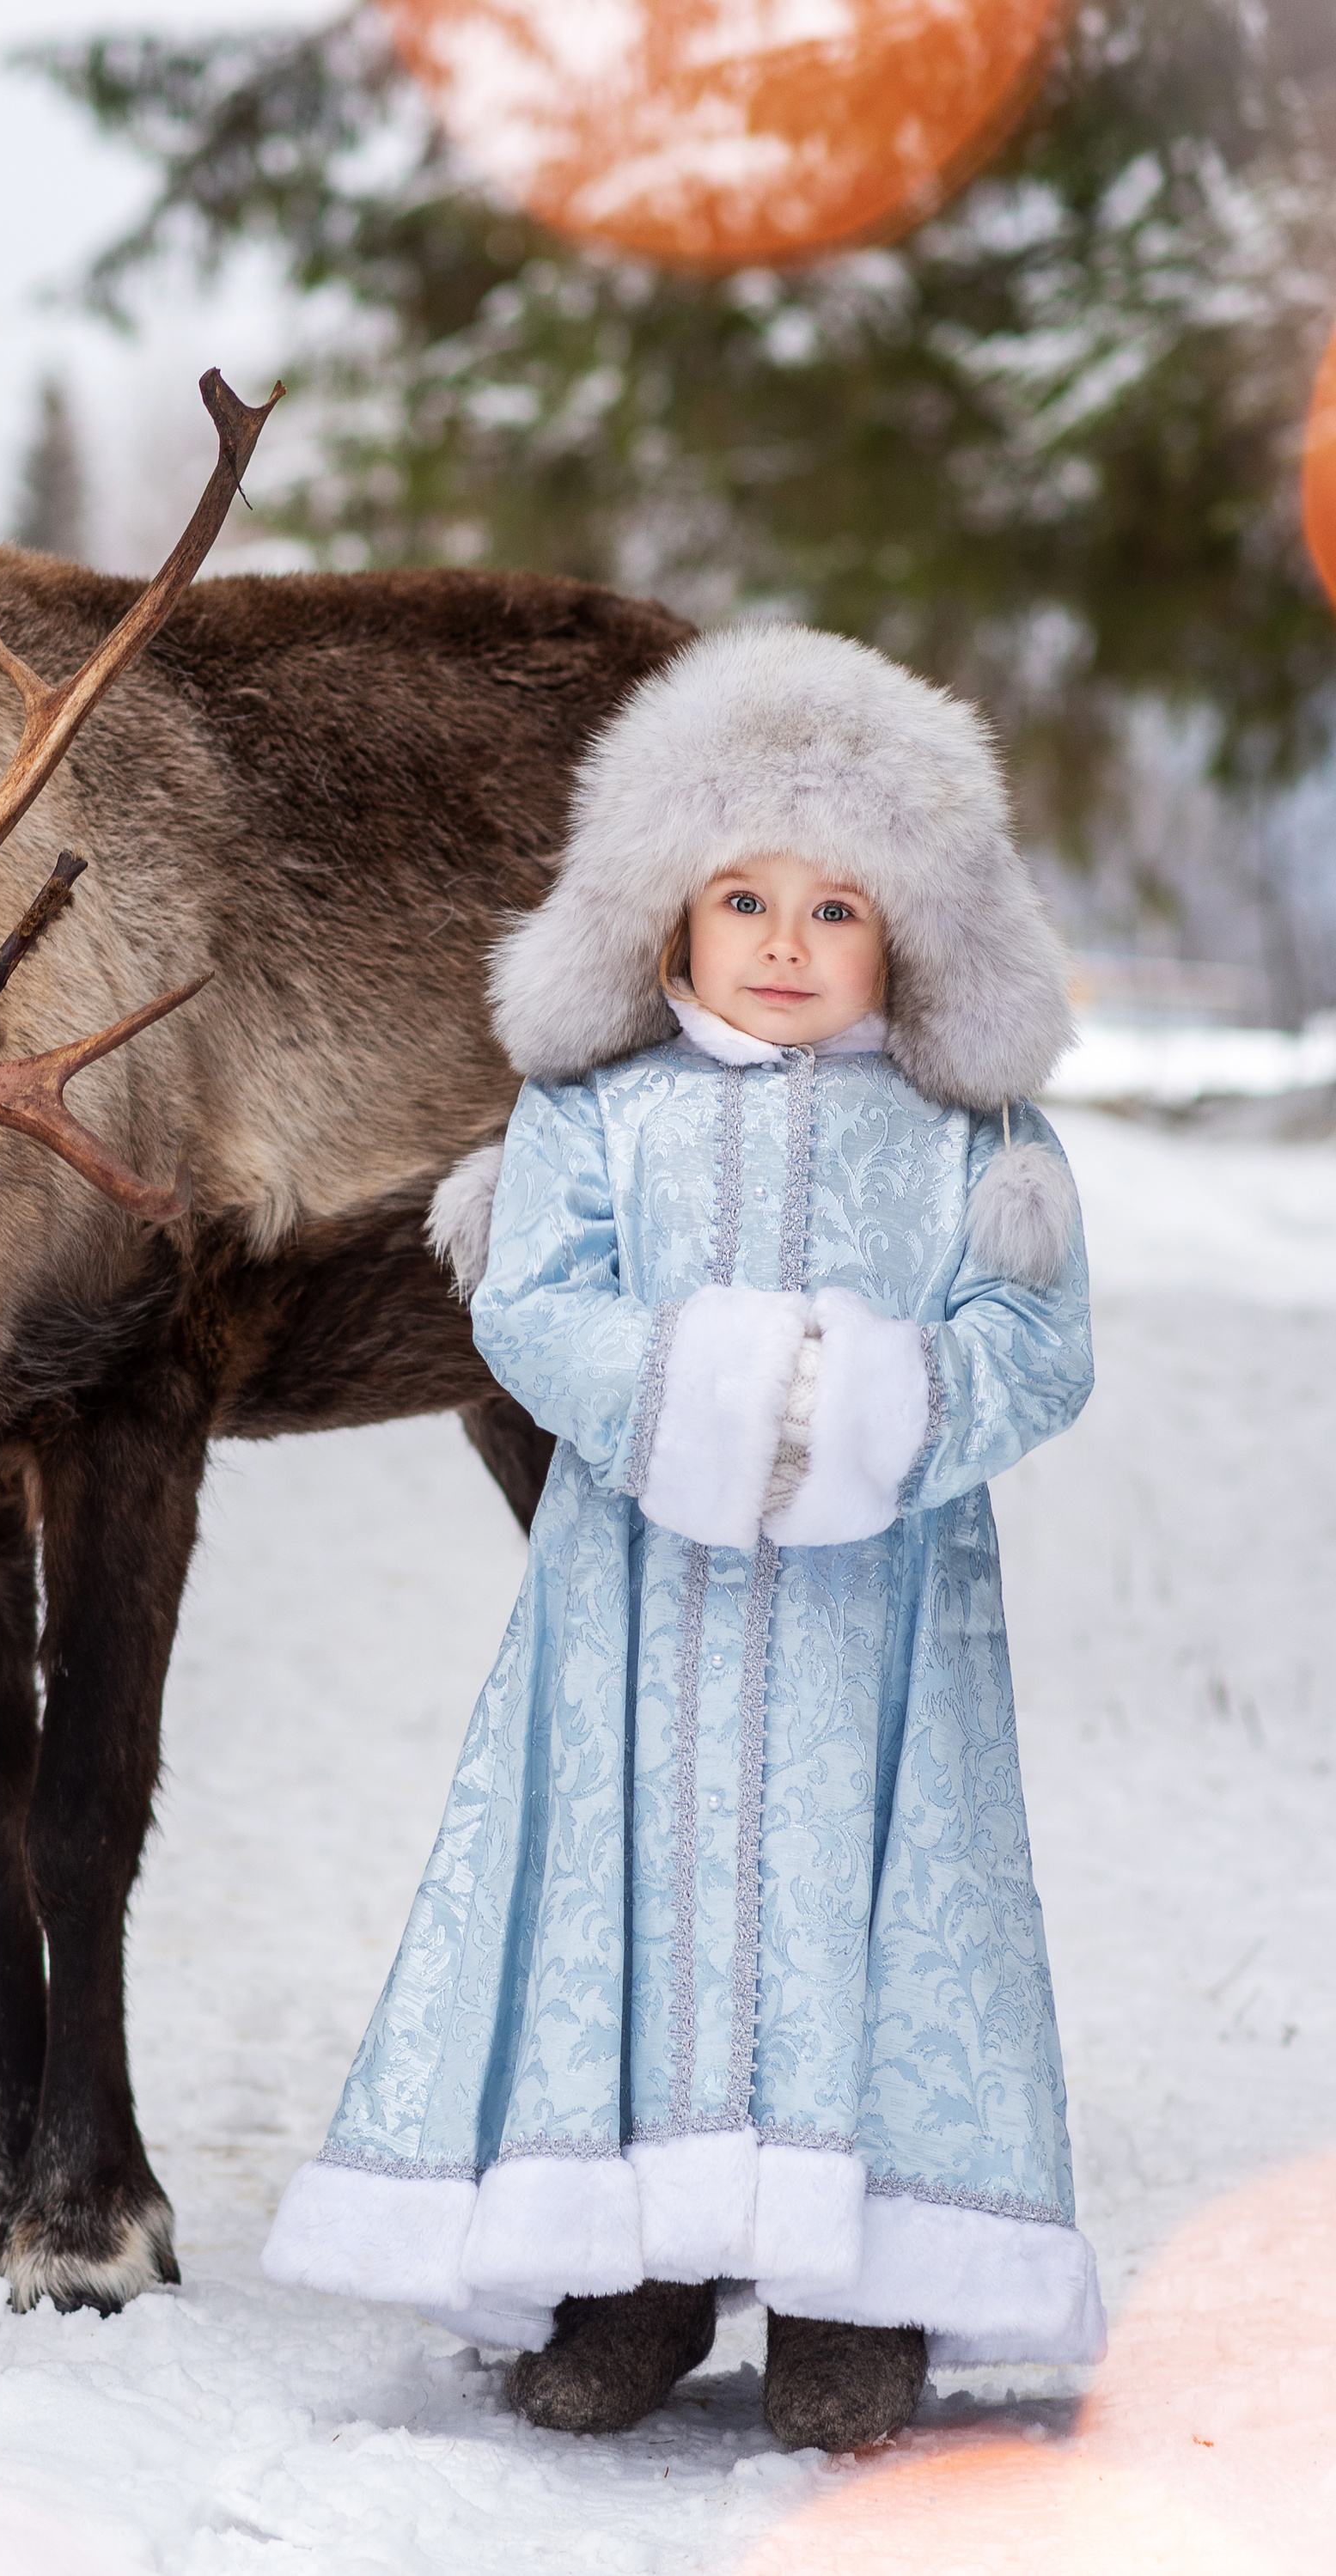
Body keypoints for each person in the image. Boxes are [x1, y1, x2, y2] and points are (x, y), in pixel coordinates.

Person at [261, 623, 1102, 2453]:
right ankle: (622, 2263)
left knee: (851, 1921)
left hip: (872, 1633)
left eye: (835, 905)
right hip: (634, 1612)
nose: (785, 942)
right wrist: (705, 1391)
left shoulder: (972, 1146)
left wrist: (884, 1401)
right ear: (660, 916)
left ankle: (844, 2288)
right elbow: (533, 1311)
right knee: (626, 1907)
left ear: (912, 933)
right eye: (741, 896)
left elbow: (1038, 1346)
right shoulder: (593, 1118)